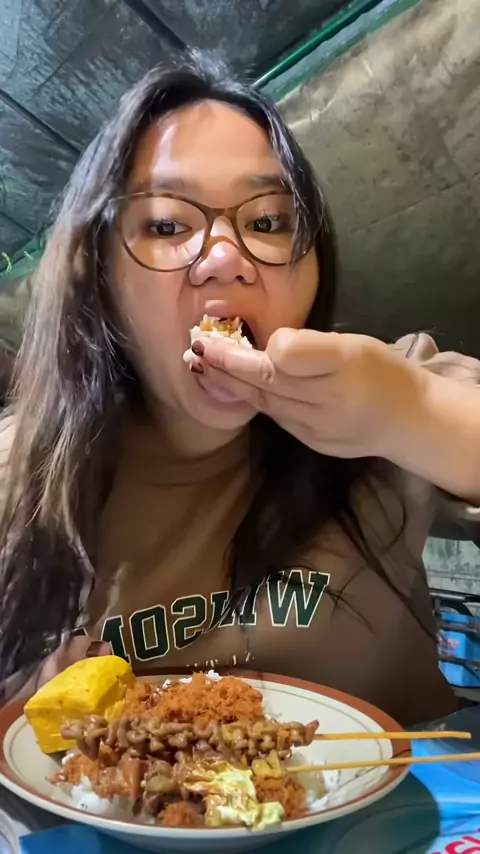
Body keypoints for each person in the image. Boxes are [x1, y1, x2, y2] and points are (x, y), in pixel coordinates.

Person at [0, 51, 479, 727]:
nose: (226, 258)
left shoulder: (386, 387)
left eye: (268, 222)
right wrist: (28, 702)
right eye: (167, 225)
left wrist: (411, 414)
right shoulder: (21, 473)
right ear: (98, 277)